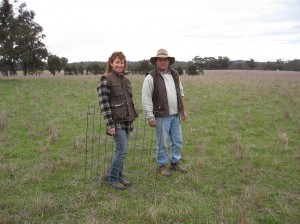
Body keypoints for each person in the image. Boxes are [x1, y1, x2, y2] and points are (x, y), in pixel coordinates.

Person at [142, 48, 188, 177]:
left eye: (165, 60)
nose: (163, 62)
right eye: (160, 60)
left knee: (177, 141)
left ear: (169, 61)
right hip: (161, 116)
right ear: (156, 62)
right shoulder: (150, 77)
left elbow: (181, 92)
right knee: (162, 143)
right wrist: (150, 117)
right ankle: (162, 165)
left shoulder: (175, 75)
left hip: (175, 115)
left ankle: (175, 163)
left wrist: (183, 109)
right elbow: (146, 98)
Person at [97, 51, 138, 190]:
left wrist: (131, 121)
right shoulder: (105, 79)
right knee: (123, 150)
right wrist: (110, 124)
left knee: (121, 149)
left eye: (122, 62)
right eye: (117, 62)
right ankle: (112, 178)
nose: (120, 65)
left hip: (126, 121)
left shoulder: (125, 80)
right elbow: (104, 104)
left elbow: (128, 102)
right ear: (111, 63)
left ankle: (120, 177)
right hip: (116, 122)